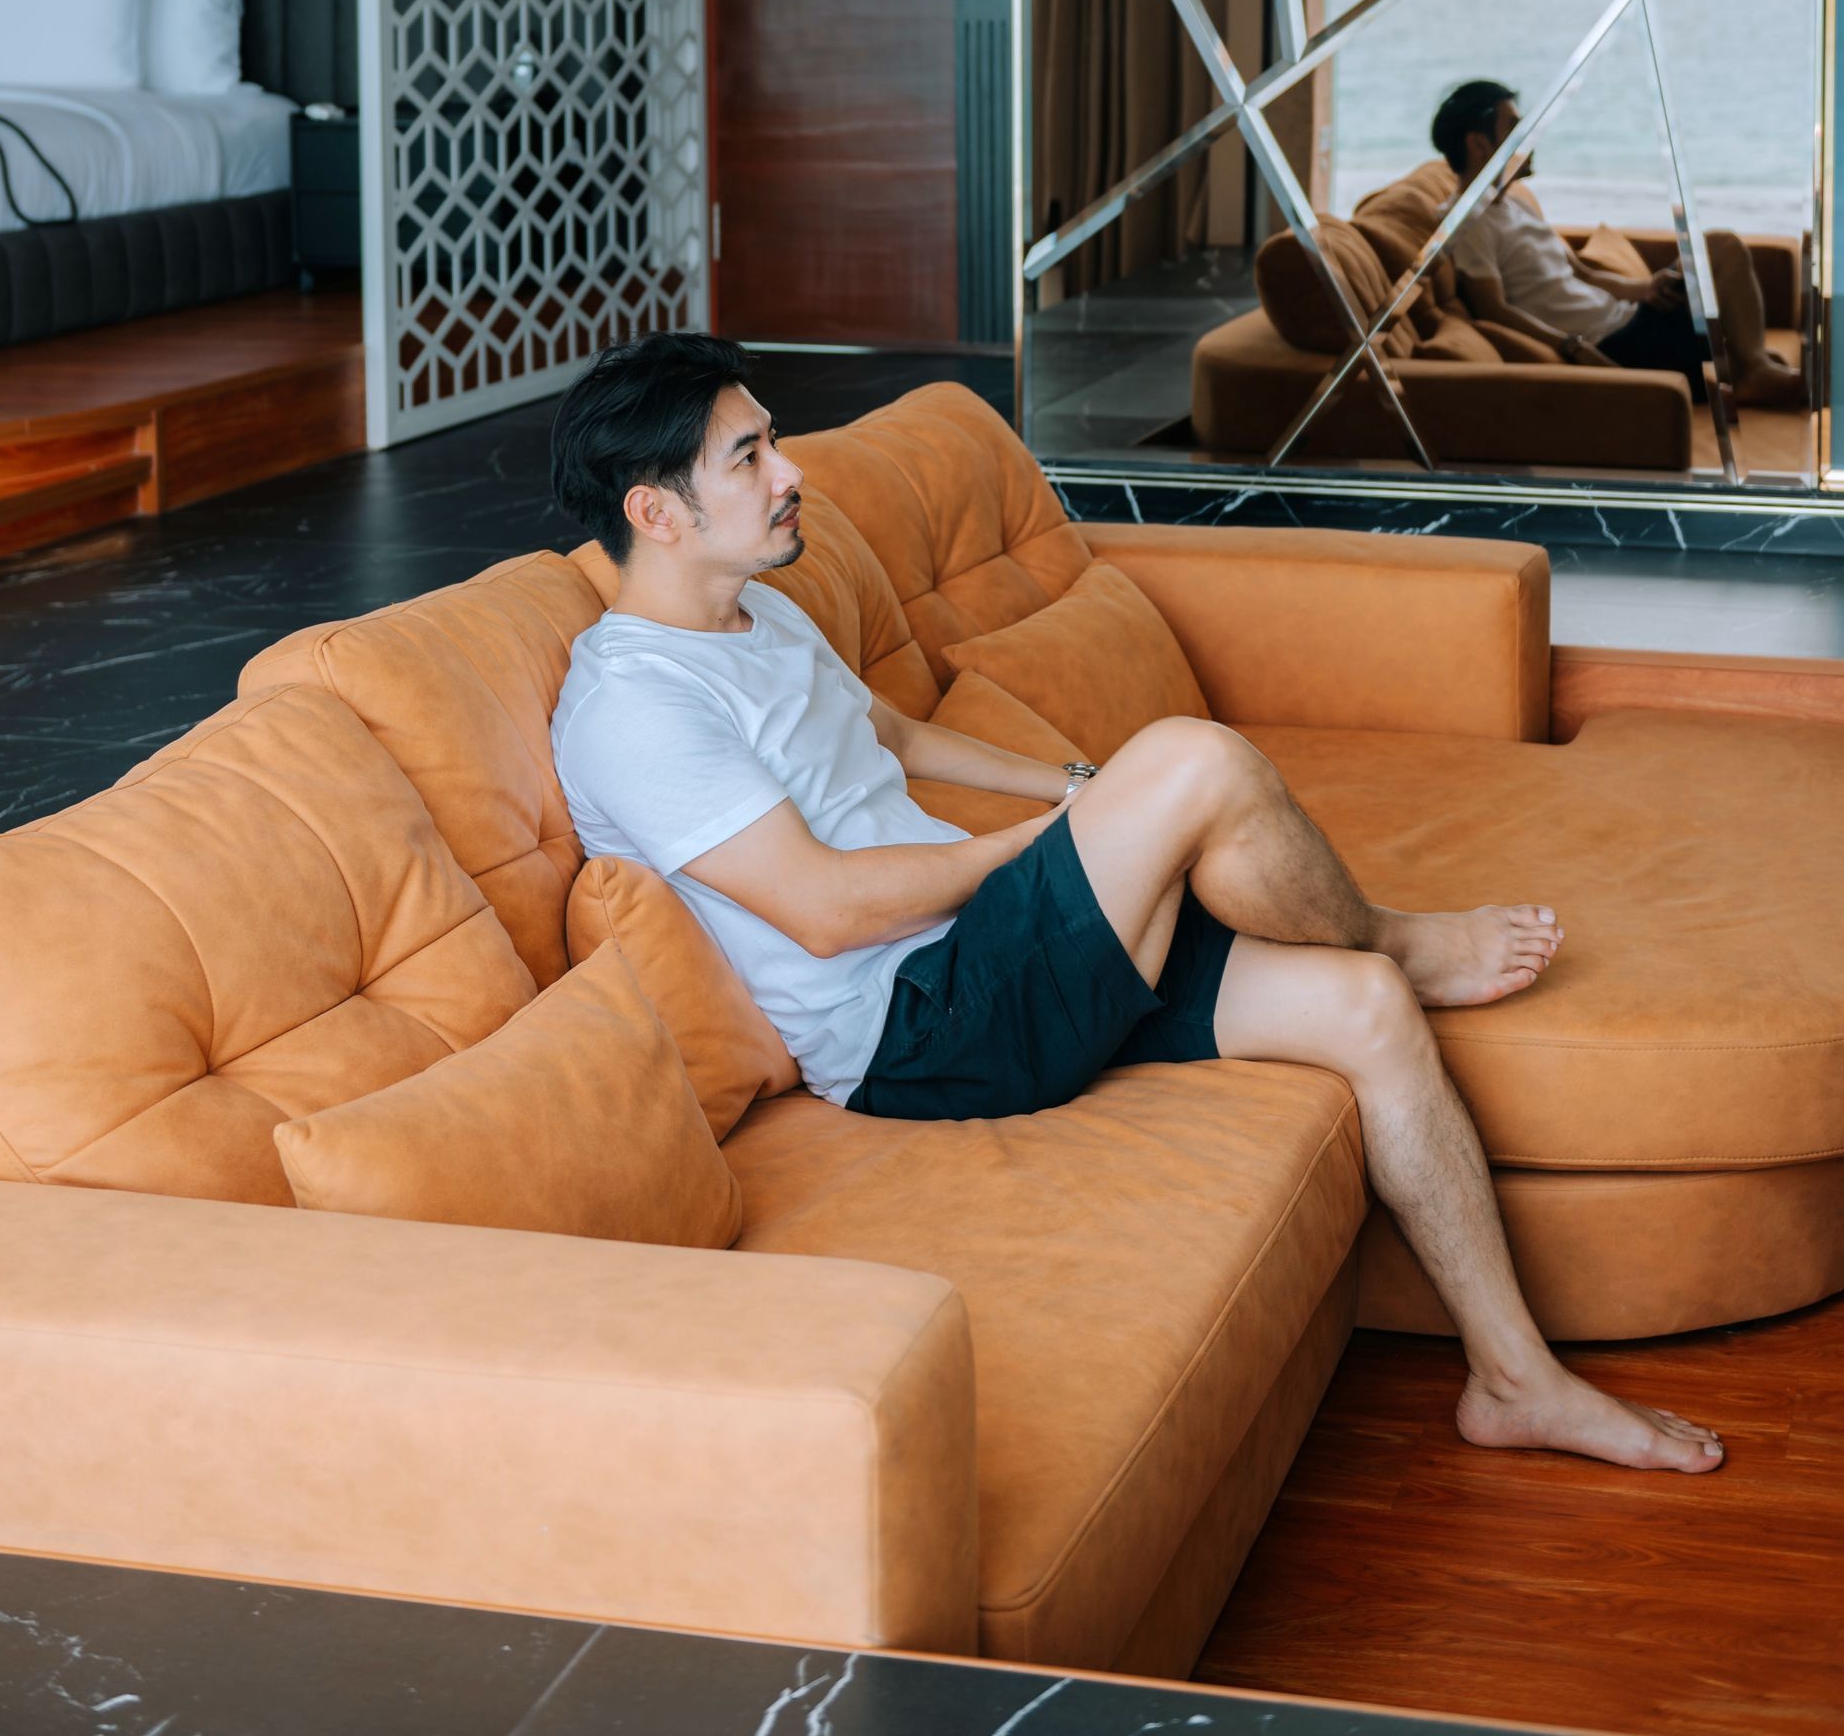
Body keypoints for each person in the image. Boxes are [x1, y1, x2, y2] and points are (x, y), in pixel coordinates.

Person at [549, 328, 1723, 1477]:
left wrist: (1079, 788)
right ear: (656, 512)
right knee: (1199, 763)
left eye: (774, 441)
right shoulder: (636, 705)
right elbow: (826, 912)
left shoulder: (761, 607)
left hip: (988, 951)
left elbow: (894, 733)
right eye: (749, 456)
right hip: (917, 1023)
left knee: (1359, 1007)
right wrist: (1040, 843)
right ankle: (1403, 935)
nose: (791, 472)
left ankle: (1516, 1378)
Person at [1432, 78, 1804, 411]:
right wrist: (1574, 347)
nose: (1530, 135)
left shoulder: (1511, 202)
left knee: (1717, 251)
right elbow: (1491, 309)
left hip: (1629, 319)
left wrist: (1647, 288)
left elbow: (1583, 273)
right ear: (1478, 144)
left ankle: (1750, 368)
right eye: (1514, 126)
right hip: (1617, 344)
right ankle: (1752, 372)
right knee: (1722, 249)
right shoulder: (1470, 223)